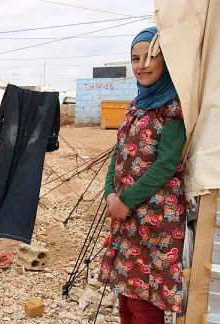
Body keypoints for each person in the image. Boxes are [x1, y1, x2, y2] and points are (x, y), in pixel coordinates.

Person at [99, 26, 186, 324]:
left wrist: (125, 200)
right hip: (127, 214)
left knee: (146, 298)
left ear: (167, 60)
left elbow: (167, 164)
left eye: (150, 56)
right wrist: (110, 193)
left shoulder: (172, 106)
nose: (141, 65)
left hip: (155, 218)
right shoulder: (136, 104)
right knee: (126, 292)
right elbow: (118, 150)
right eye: (135, 58)